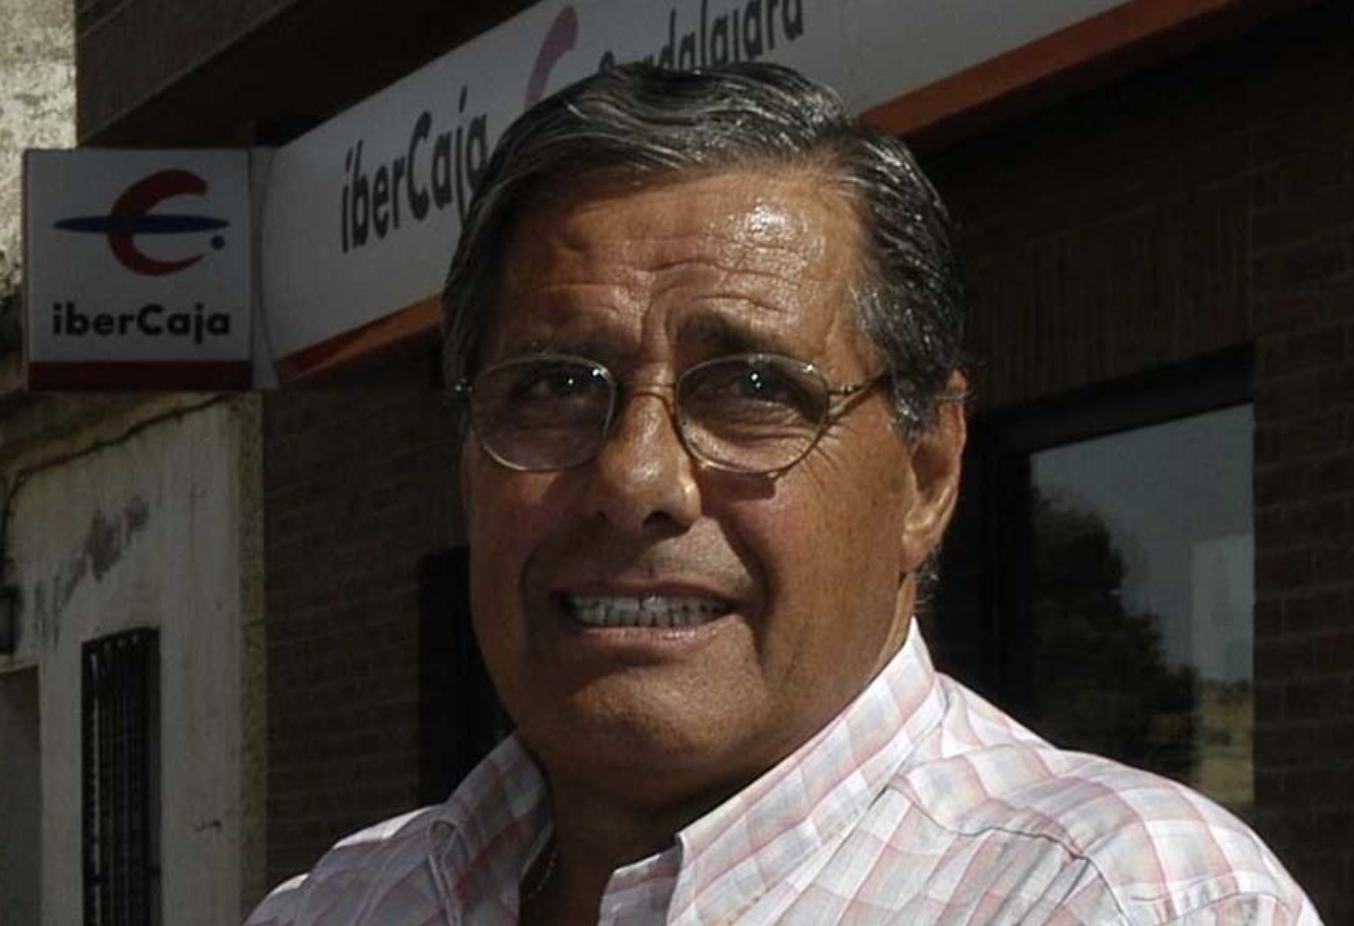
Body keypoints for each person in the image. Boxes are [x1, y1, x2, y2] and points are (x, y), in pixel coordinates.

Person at [246, 63, 1323, 926]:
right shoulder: (345, 904)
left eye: (754, 389)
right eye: (554, 387)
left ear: (926, 474)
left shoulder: (1123, 899)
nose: (634, 478)